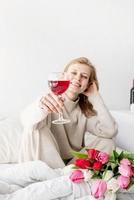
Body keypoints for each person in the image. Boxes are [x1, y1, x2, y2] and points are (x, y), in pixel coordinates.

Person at [18, 57, 118, 168]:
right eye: (74, 73)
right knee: (34, 127)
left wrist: (95, 97)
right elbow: (26, 121)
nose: (78, 78)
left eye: (84, 76)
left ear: (88, 84)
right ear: (63, 76)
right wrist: (40, 106)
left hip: (70, 165)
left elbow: (110, 132)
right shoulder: (49, 100)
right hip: (47, 163)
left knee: (108, 143)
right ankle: (55, 176)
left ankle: (64, 175)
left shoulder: (85, 110)